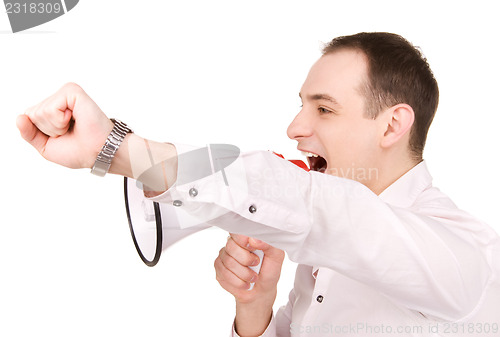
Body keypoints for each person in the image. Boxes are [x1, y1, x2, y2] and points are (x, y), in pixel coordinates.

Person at [16, 32, 500, 337]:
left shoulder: (466, 252)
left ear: (392, 126)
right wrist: (256, 311)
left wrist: (126, 152)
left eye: (324, 109)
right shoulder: (323, 249)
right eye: (301, 105)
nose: (295, 128)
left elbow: (336, 216)